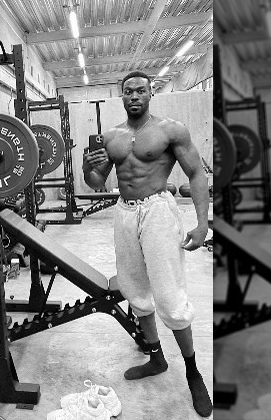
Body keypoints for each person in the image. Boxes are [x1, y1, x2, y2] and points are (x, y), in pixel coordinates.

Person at [82, 71, 212, 417]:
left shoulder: (171, 130)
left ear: (151, 93)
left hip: (157, 210)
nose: (134, 96)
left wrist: (202, 223)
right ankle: (156, 357)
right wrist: (87, 166)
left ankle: (193, 372)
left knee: (169, 298)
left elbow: (197, 174)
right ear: (121, 96)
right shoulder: (111, 137)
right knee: (135, 291)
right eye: (128, 91)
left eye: (140, 90)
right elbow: (96, 183)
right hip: (124, 213)